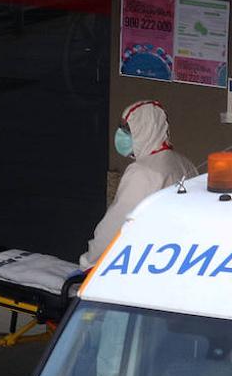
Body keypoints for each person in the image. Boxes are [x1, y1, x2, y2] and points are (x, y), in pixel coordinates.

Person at [80, 100, 197, 269]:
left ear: (145, 130)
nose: (120, 134)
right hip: (174, 262)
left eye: (127, 129)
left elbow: (115, 225)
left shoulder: (142, 172)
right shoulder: (185, 164)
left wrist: (89, 262)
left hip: (141, 264)